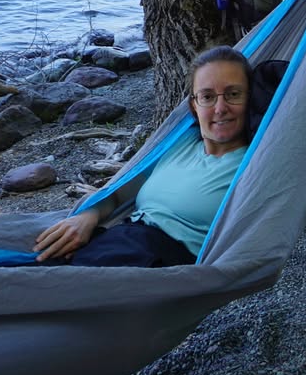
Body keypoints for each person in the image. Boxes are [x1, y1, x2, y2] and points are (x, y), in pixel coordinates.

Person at [33, 45, 252, 267]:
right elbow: (118, 196)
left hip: (156, 265)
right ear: (194, 106)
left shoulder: (254, 163)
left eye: (233, 94)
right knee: (17, 262)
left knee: (30, 285)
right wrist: (87, 217)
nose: (220, 108)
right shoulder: (181, 143)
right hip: (116, 240)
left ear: (251, 98)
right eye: (207, 96)